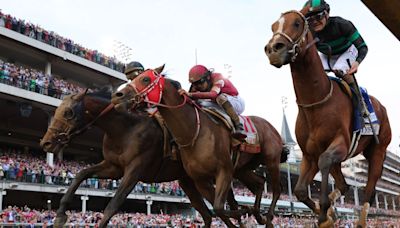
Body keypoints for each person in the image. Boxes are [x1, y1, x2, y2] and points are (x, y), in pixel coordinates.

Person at [303, 0, 369, 116]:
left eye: (318, 17)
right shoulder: (310, 32)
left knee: (340, 69)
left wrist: (357, 63)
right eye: (310, 20)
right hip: (328, 54)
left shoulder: (342, 24)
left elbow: (363, 47)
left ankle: (360, 105)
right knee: (313, 74)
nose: (315, 22)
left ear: (327, 14)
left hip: (347, 51)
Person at [181, 64, 246, 140]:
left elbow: (213, 95)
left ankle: (239, 126)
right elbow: (189, 100)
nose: (197, 86)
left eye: (200, 82)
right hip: (218, 103)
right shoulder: (196, 86)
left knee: (220, 97)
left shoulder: (218, 78)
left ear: (208, 77)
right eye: (194, 84)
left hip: (236, 102)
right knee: (199, 103)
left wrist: (191, 94)